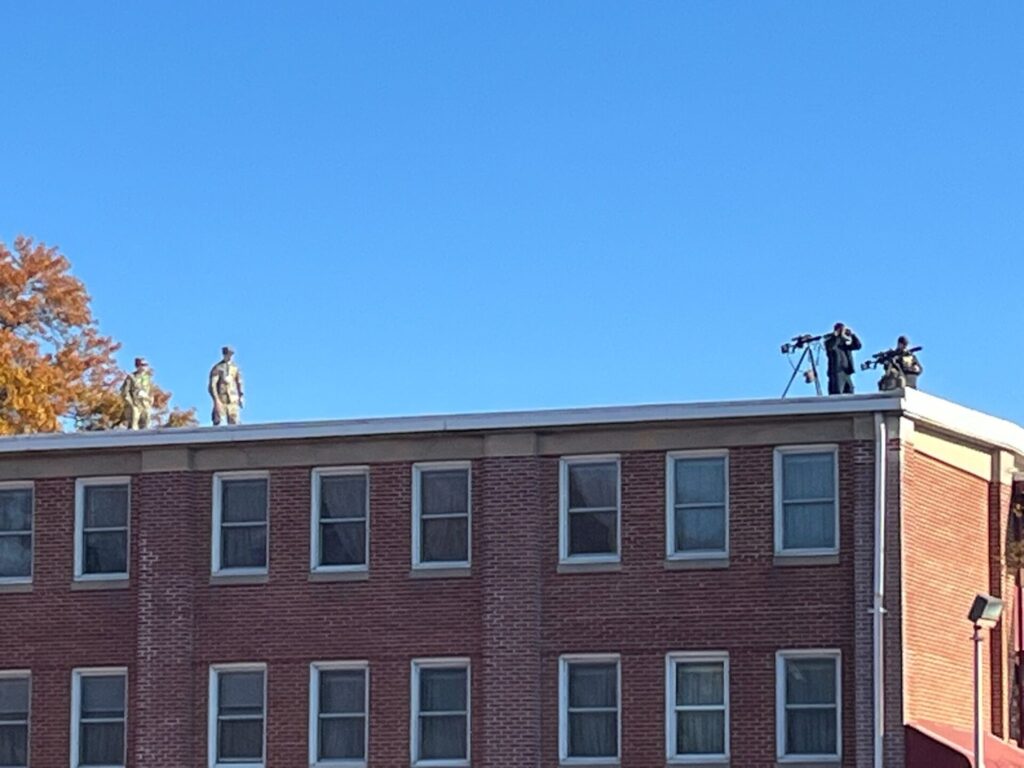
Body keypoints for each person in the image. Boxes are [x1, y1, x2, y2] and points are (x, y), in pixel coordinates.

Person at [208, 346, 245, 425]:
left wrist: (241, 396)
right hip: (221, 399)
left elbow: (239, 382)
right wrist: (216, 400)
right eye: (228, 354)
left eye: (231, 355)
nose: (229, 357)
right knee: (218, 421)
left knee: (234, 422)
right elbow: (212, 385)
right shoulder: (218, 367)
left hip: (233, 399)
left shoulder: (235, 367)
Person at [823, 322, 862, 395]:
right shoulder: (830, 341)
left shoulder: (845, 344)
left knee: (850, 392)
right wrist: (837, 336)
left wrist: (852, 335)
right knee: (837, 393)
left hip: (846, 372)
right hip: (836, 372)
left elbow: (858, 346)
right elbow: (831, 347)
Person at [121, 357, 153, 429]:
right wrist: (130, 403)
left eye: (146, 365)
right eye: (143, 365)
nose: (145, 367)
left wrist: (150, 399)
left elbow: (150, 390)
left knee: (146, 422)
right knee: (133, 423)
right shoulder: (131, 377)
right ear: (138, 366)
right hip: (134, 403)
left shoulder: (147, 378)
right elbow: (125, 391)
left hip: (145, 403)